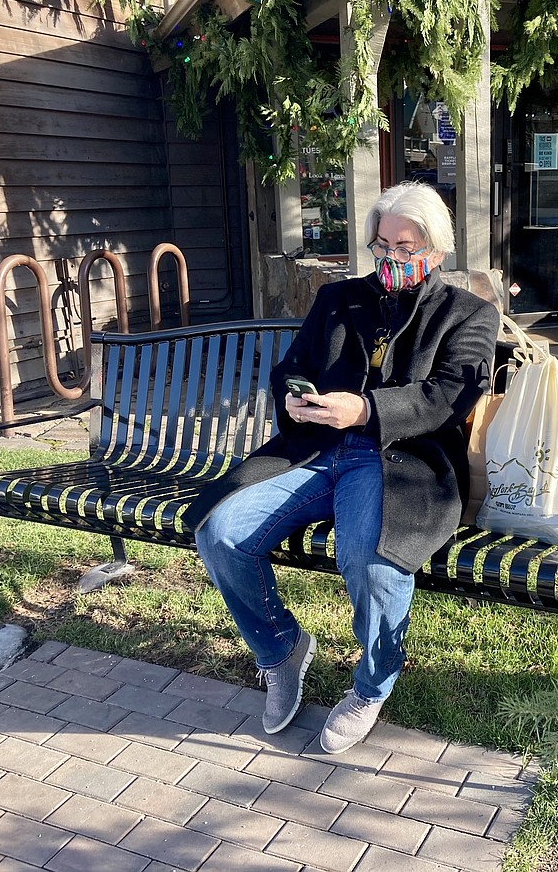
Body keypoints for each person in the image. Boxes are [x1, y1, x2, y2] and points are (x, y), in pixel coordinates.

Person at [185, 183, 500, 753]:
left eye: (406, 248)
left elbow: (450, 396)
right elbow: (292, 367)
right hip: (315, 449)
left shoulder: (469, 314)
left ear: (436, 251)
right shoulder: (340, 299)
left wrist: (365, 409)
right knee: (221, 530)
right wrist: (293, 396)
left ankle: (372, 685)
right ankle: (281, 650)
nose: (391, 259)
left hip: (401, 462)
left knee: (370, 557)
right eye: (382, 245)